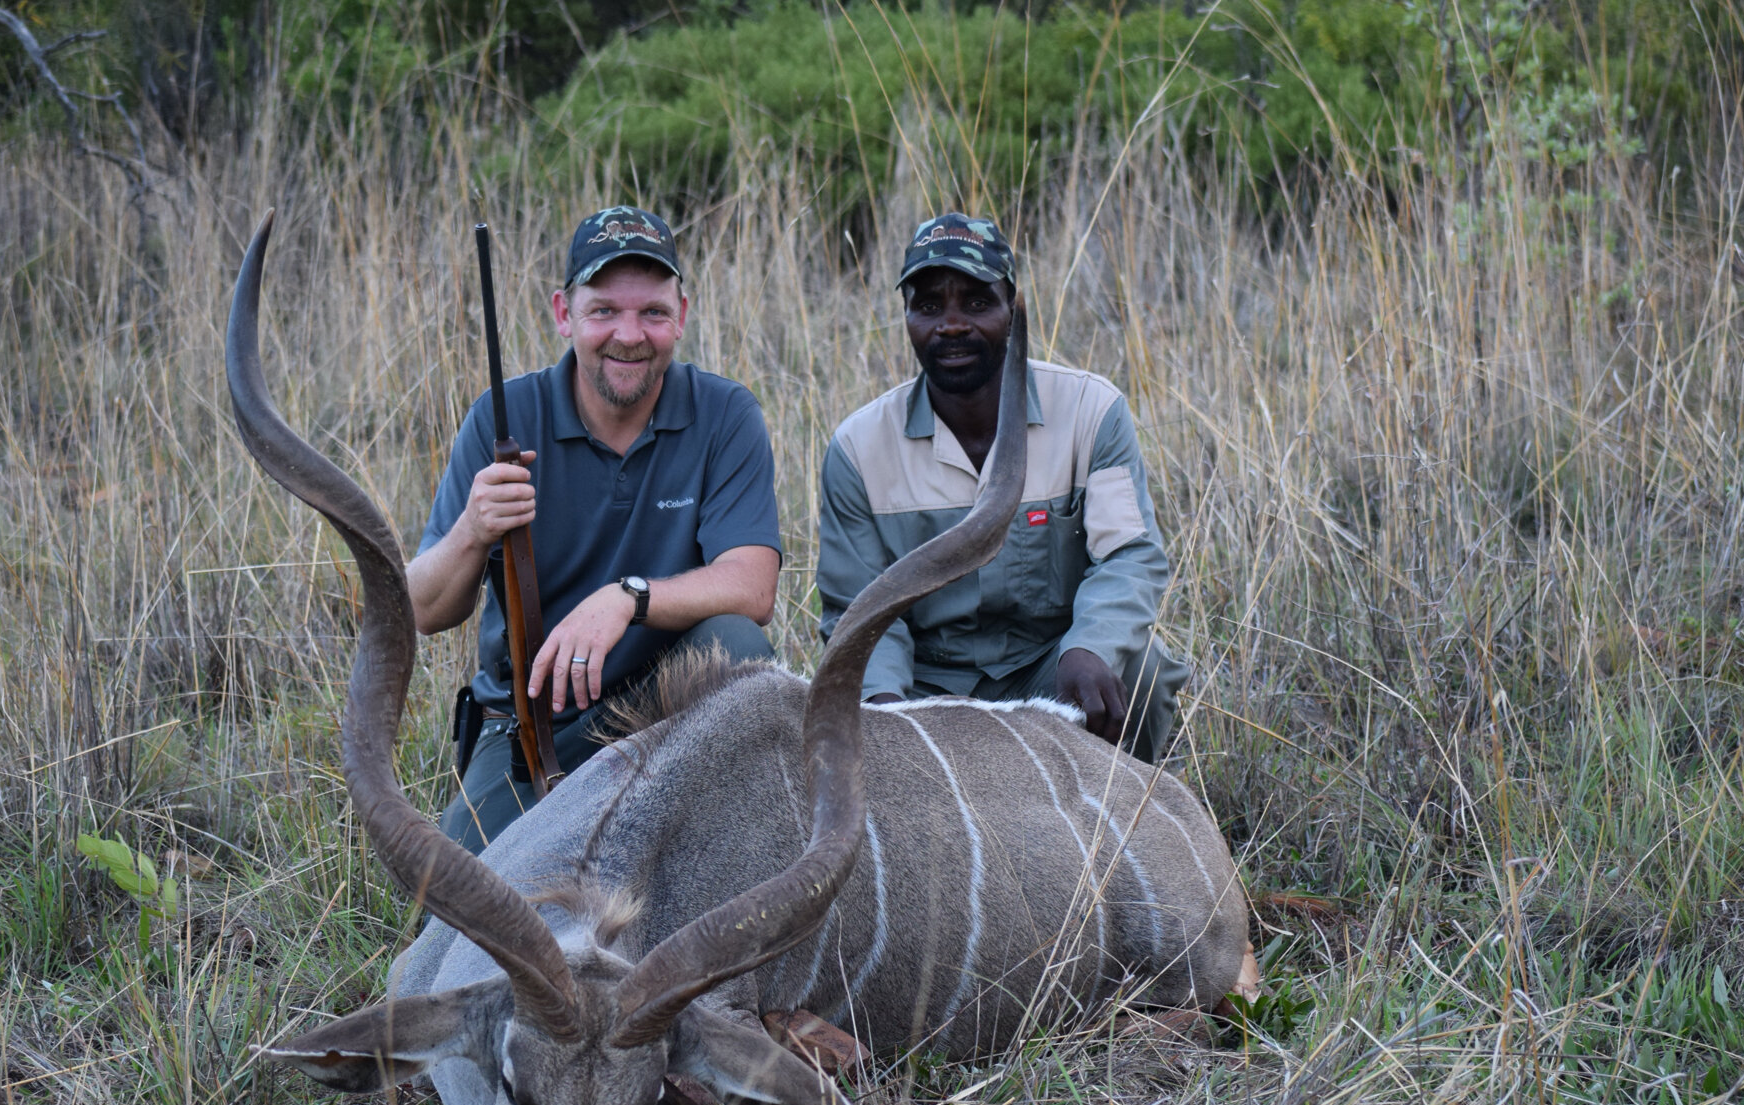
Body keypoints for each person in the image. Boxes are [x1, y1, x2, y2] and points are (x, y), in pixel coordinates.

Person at [412, 206, 782, 849]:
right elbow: (421, 607)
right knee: (451, 914)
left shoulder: (726, 413)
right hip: (532, 730)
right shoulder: (503, 417)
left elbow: (753, 589)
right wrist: (473, 529)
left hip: (671, 719)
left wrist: (626, 598)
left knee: (737, 648)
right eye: (604, 311)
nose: (629, 335)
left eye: (653, 313)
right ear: (564, 314)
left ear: (682, 316)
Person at [816, 212, 1191, 763]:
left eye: (976, 302)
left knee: (1143, 668)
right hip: (925, 691)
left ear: (1013, 310)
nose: (950, 325)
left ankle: (1126, 839)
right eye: (927, 307)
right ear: (906, 318)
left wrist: (1089, 648)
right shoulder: (857, 447)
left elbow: (1129, 558)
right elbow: (862, 611)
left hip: (1050, 670)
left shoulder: (1092, 410)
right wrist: (890, 719)